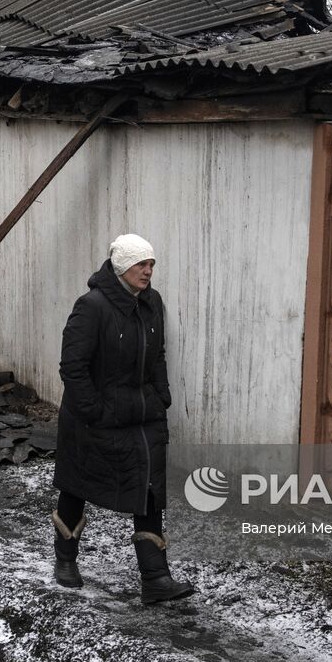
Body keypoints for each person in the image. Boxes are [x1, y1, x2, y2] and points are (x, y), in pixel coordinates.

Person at [51, 233, 195, 604]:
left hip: (141, 414)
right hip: (92, 417)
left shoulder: (152, 303)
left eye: (151, 265)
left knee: (148, 487)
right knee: (77, 483)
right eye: (141, 265)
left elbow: (158, 354)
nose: (148, 271)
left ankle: (156, 579)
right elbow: (73, 367)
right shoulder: (92, 306)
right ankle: (65, 560)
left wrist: (161, 396)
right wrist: (93, 411)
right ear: (121, 267)